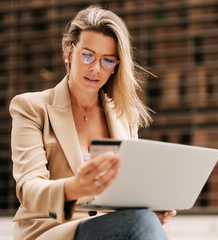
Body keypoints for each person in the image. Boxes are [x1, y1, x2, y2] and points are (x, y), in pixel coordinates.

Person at [9, 5, 176, 240]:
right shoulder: (31, 108)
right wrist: (74, 187)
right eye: (87, 55)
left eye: (107, 61)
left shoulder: (123, 117)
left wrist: (151, 209)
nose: (95, 68)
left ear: (116, 67)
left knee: (146, 220)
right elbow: (29, 189)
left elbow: (128, 195)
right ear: (68, 50)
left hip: (109, 230)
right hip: (53, 230)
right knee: (141, 222)